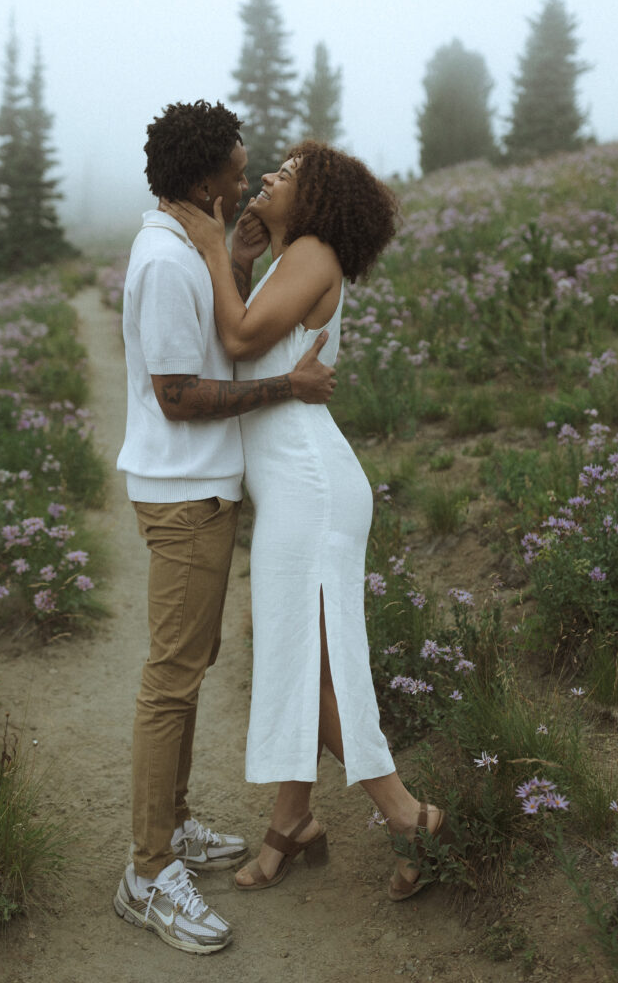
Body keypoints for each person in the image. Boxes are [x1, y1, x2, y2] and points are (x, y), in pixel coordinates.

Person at [165, 140, 450, 905]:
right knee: (298, 655)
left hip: (310, 487)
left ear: (316, 197)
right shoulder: (297, 259)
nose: (266, 177)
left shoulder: (315, 253)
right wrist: (243, 263)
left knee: (314, 663)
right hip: (296, 486)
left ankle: (404, 812)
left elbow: (232, 340)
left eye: (285, 174)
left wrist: (211, 245)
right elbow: (251, 347)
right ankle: (291, 823)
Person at [113, 102, 336, 956]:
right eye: (239, 172)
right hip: (183, 495)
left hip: (197, 491)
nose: (246, 184)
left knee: (189, 665)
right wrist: (285, 389)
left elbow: (214, 344)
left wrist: (232, 259)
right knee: (171, 678)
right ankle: (147, 871)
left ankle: (171, 825)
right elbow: (179, 392)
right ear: (207, 179)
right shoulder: (167, 261)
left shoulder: (188, 252)